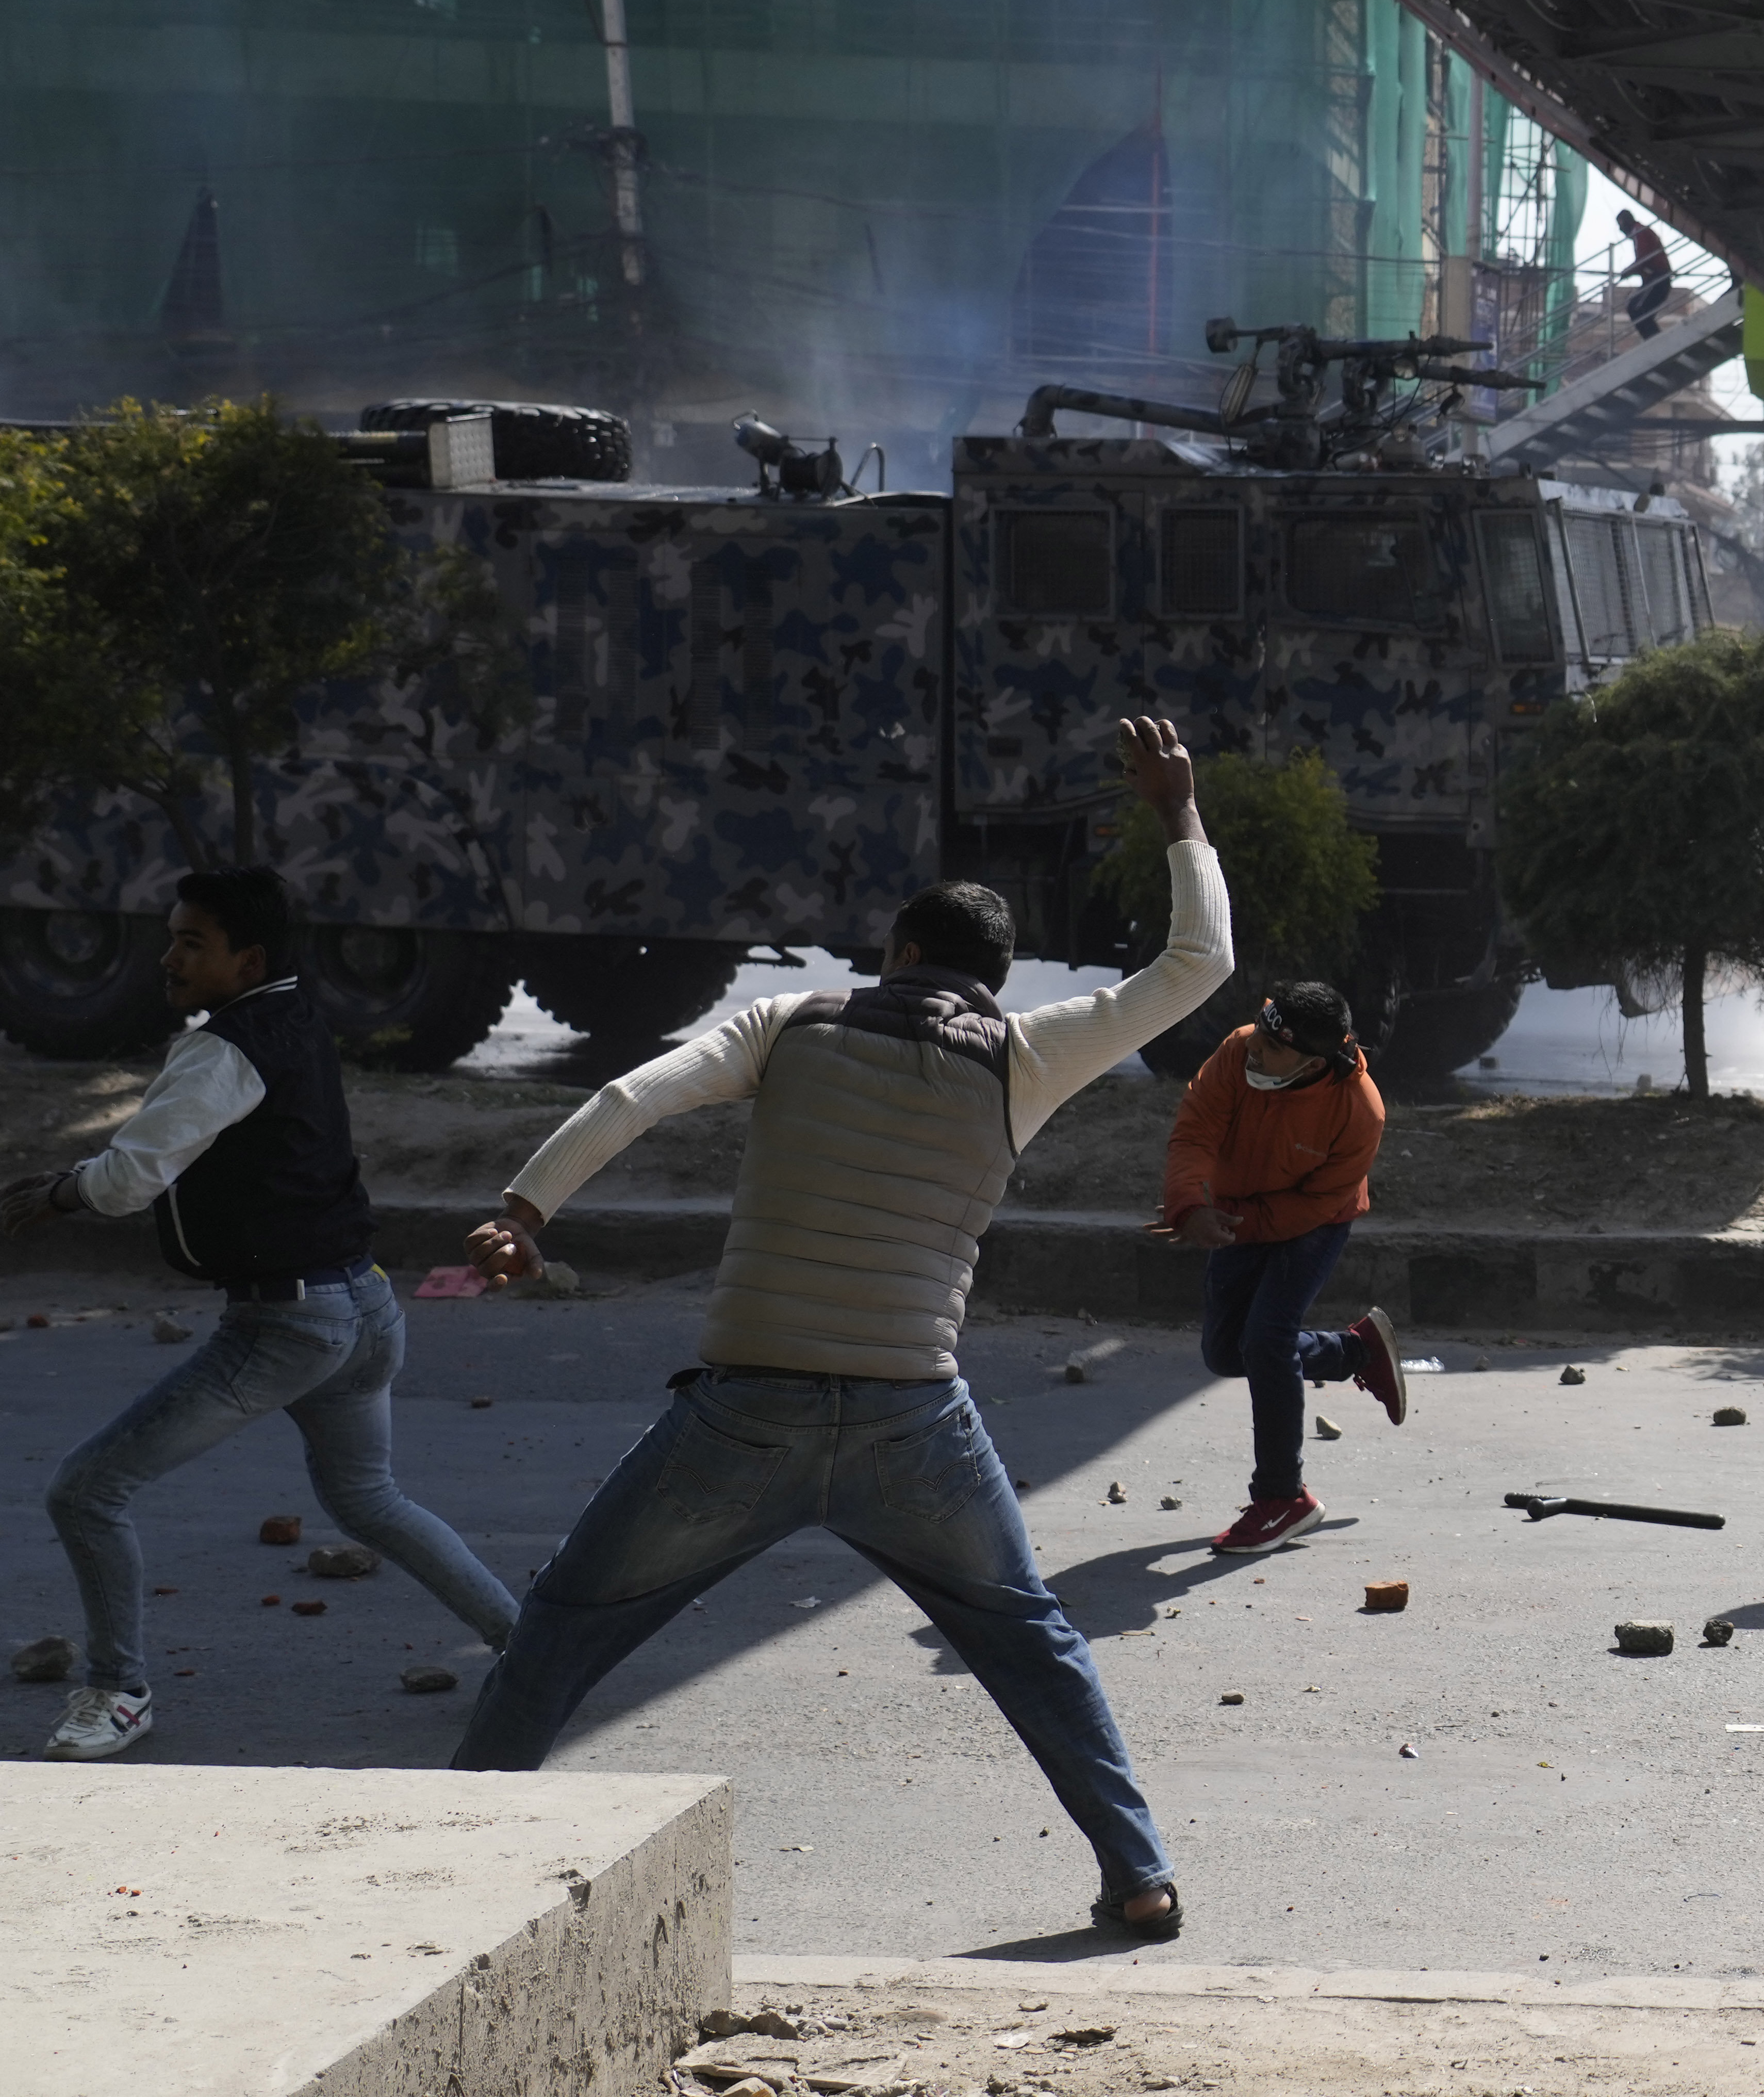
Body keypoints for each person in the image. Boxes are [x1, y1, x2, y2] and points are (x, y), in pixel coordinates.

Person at [449, 718, 1228, 1942]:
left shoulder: (789, 1021)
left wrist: (524, 1210)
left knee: (563, 1624)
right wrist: (1178, 810)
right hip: (915, 1420)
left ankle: (446, 1849)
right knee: (1029, 1638)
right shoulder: (1027, 1054)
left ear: (899, 951)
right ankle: (1138, 1871)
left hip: (740, 1414)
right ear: (993, 977)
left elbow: (630, 1093)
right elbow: (1198, 964)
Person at [0, 867, 520, 1762]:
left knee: (87, 1490)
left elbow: (128, 1180)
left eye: (190, 943)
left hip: (288, 1325)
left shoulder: (223, 1049)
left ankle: (119, 1691)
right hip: (366, 1303)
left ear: (248, 960)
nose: (167, 958)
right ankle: (531, 1645)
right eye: (171, 938)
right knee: (370, 1498)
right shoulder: (296, 1017)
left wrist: (56, 1193)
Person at [1152, 980, 1401, 1555]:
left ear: (1313, 1062)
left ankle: (1283, 1497)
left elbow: (1315, 1204)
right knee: (1225, 1353)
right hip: (1236, 1209)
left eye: (1271, 1049)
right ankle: (1356, 1352)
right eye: (1258, 1037)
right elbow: (1194, 1131)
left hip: (1315, 1220)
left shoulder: (1360, 1109)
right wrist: (1188, 1205)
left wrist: (1228, 1223)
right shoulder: (1236, 1051)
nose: (1254, 1051)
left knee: (1267, 1339)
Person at [1618, 210, 1674, 338]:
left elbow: (1644, 259)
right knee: (1640, 310)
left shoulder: (1639, 232)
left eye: (1621, 224)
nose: (1620, 230)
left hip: (1658, 278)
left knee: (1637, 308)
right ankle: (1655, 340)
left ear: (1626, 222)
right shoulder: (1640, 232)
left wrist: (1629, 271)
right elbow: (1645, 260)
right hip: (1657, 278)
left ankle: (1655, 341)